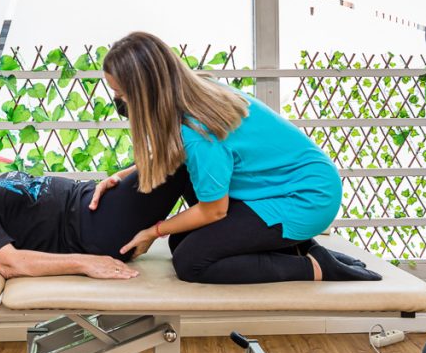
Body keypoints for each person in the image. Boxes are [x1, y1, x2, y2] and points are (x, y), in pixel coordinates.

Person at [93, 31, 380, 284]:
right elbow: (174, 155)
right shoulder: (195, 92)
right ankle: (301, 248)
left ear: (145, 90)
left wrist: (154, 232)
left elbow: (214, 211)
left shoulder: (197, 129)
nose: (120, 102)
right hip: (279, 188)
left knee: (191, 261)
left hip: (306, 198)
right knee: (181, 240)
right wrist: (121, 175)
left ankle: (315, 267)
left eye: (121, 94)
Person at [0, 154, 195, 280]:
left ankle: (208, 230)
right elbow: (10, 263)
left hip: (93, 202)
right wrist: (85, 263)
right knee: (181, 155)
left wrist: (119, 176)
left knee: (171, 151)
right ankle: (221, 229)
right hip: (94, 228)